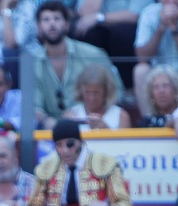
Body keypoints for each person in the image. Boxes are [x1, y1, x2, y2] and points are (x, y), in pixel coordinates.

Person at [32, 1, 122, 130]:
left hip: (92, 125)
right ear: (38, 27)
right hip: (50, 130)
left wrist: (94, 116)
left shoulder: (94, 54)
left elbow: (117, 92)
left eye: (57, 19)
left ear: (67, 25)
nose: (52, 24)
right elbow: (34, 106)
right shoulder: (31, 62)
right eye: (46, 20)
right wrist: (49, 122)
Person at [29, 119, 132, 206]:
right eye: (59, 145)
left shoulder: (105, 164)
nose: (64, 150)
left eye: (70, 144)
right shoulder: (46, 168)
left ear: (81, 142)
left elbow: (124, 204)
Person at [73, 0, 151, 90]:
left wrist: (99, 17)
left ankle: (128, 88)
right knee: (84, 33)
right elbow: (83, 15)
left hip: (129, 31)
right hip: (101, 29)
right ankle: (93, 87)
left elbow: (135, 15)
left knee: (121, 33)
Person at [63, 63, 132, 130]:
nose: (91, 97)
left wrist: (106, 129)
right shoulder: (70, 115)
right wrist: (69, 127)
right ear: (80, 91)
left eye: (96, 93)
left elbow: (124, 142)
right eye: (87, 92)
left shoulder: (121, 116)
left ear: (106, 91)